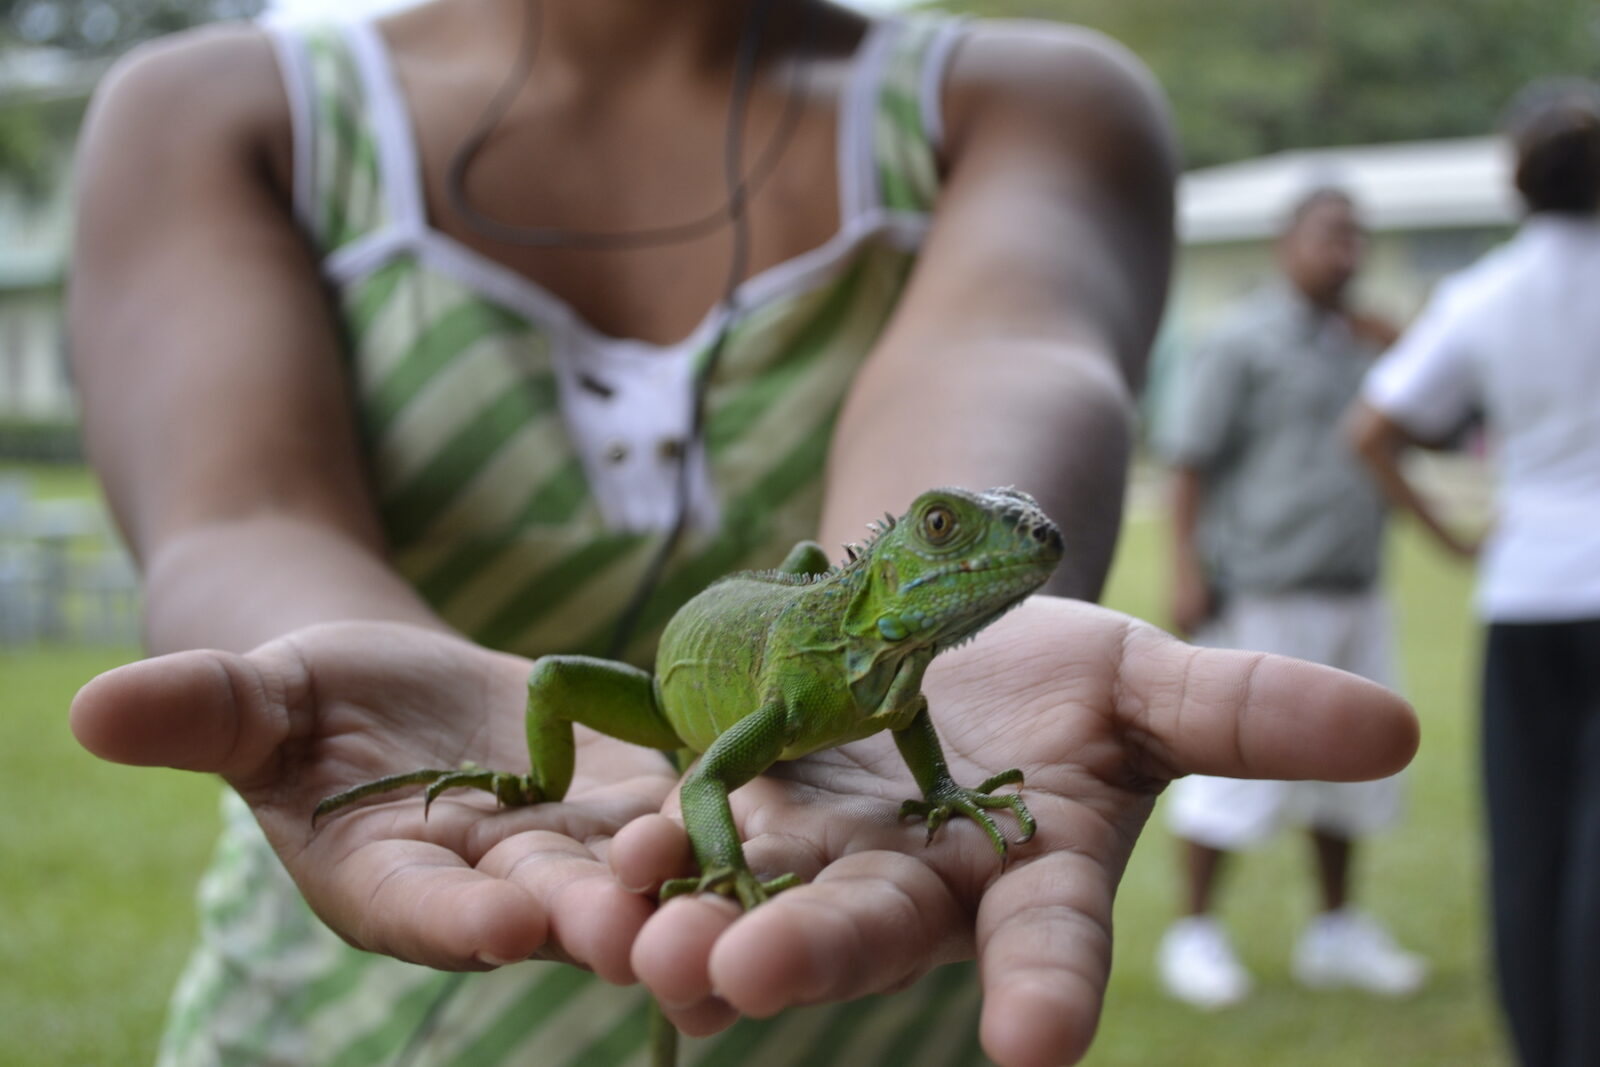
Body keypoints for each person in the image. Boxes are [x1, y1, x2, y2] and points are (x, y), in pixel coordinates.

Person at [64, 2, 1417, 1065]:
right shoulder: (224, 103)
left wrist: (943, 782)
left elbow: (1010, 352)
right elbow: (239, 509)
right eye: (948, 532)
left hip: (880, 1013)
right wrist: (694, 844)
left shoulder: (1037, 97)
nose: (999, 544)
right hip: (335, 1024)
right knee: (567, 691)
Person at [1347, 80, 1600, 1067]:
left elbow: (1371, 428)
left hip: (1529, 587)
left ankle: (1541, 1041)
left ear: (1514, 176)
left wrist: (1453, 538)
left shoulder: (1483, 295)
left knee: (1529, 841)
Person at [1153, 187, 1427, 1009]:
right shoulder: (1241, 338)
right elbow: (1188, 459)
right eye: (1328, 236)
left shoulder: (1368, 343)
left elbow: (1441, 421)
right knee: (1234, 772)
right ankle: (1195, 934)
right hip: (1265, 587)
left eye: (1356, 238)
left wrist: (1404, 345)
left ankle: (1336, 931)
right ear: (1286, 244)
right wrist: (1184, 568)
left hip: (1355, 584)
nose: (1345, 253)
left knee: (1353, 766)